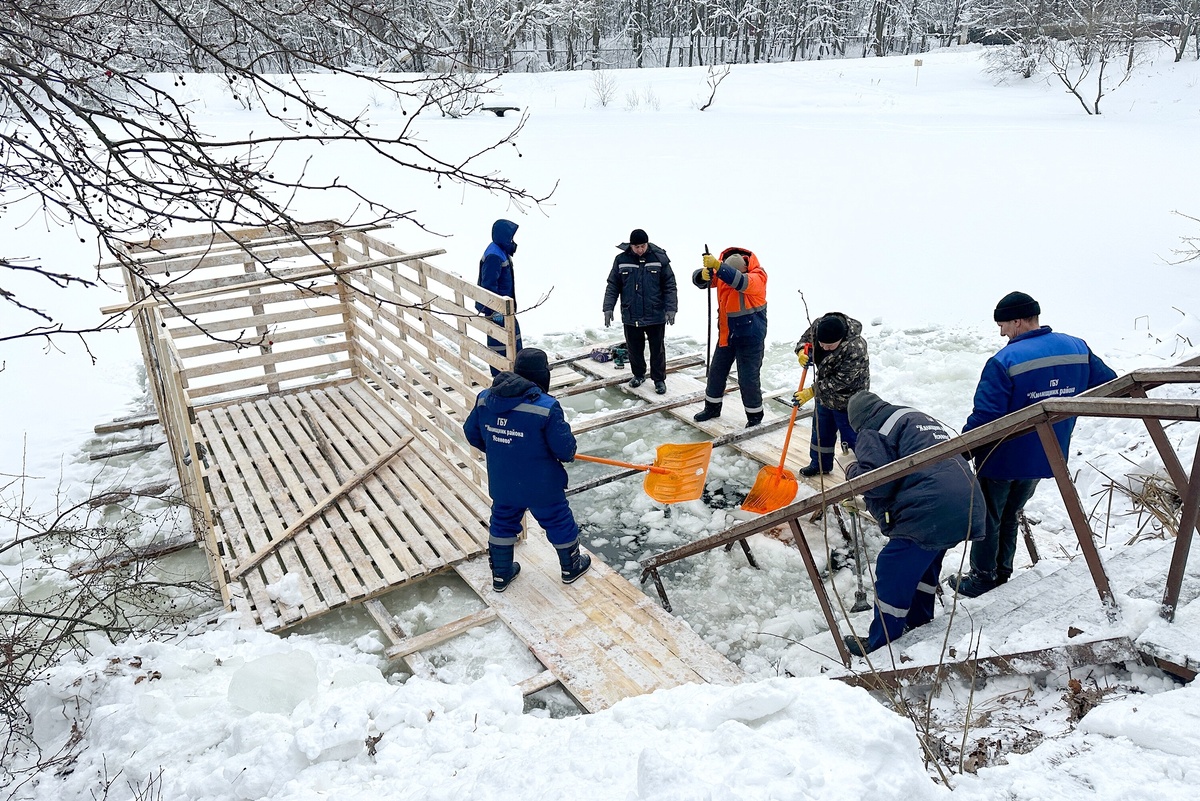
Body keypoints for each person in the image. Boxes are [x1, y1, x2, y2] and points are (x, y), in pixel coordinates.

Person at [950, 291, 1117, 598]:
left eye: (1004, 325)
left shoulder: (1004, 361)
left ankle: (983, 577)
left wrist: (961, 451)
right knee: (1012, 512)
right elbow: (1109, 384)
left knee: (989, 515)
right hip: (1046, 452)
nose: (1002, 333)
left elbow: (986, 417)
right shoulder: (1077, 347)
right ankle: (1002, 571)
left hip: (1001, 456)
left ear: (1019, 321)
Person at [843, 390, 985, 657]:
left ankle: (880, 644)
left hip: (932, 508)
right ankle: (919, 622)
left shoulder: (871, 429)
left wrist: (850, 468)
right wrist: (868, 505)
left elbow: (877, 482)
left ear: (857, 422)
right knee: (924, 565)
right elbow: (907, 473)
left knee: (891, 567)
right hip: (964, 501)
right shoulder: (912, 417)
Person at [463, 348, 592, 591]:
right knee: (558, 520)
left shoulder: (484, 398)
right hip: (541, 483)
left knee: (502, 520)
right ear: (543, 375)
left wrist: (500, 448)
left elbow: (472, 433)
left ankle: (501, 575)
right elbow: (565, 450)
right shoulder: (546, 407)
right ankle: (571, 567)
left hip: (503, 480)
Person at [691, 247, 768, 427]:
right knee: (716, 372)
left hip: (750, 337)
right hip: (727, 334)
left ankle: (755, 416)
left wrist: (718, 266)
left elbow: (740, 282)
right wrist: (703, 274)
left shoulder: (757, 277)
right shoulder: (723, 275)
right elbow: (701, 281)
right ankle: (712, 408)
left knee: (748, 378)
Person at [792, 312, 870, 477]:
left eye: (830, 346)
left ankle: (863, 475)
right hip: (825, 397)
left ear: (841, 339)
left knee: (852, 438)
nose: (825, 348)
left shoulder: (856, 347)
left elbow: (841, 381)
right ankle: (820, 465)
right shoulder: (819, 326)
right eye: (822, 344)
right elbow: (805, 340)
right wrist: (802, 351)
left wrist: (811, 391)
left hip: (849, 400)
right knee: (821, 432)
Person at [602, 228, 678, 395]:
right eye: (636, 247)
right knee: (634, 348)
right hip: (631, 313)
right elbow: (613, 285)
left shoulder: (659, 259)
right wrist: (608, 308)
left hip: (655, 313)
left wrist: (671, 308)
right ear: (631, 246)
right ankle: (638, 374)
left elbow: (670, 285)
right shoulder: (621, 260)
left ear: (647, 244)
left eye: (643, 246)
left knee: (657, 349)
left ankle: (659, 379)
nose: (640, 250)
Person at [476, 219, 523, 376]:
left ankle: (517, 374)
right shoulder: (494, 255)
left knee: (514, 341)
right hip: (498, 311)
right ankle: (501, 377)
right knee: (500, 347)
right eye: (510, 237)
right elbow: (488, 285)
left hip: (505, 309)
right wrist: (494, 310)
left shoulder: (501, 251)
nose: (512, 241)